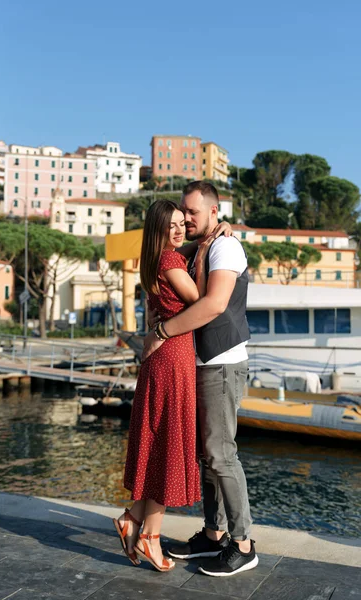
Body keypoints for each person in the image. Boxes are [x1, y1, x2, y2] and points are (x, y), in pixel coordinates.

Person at [142, 181, 258, 578]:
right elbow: (174, 257)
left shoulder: (227, 246)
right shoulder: (203, 246)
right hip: (200, 364)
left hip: (222, 363)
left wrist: (161, 332)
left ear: (213, 211)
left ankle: (243, 544)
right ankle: (213, 534)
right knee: (208, 455)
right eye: (182, 213)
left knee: (221, 455)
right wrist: (200, 242)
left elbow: (213, 303)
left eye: (192, 213)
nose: (186, 219)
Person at [113, 199, 216, 573]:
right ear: (158, 229)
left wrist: (194, 246)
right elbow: (200, 300)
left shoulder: (156, 259)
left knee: (159, 442)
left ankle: (131, 519)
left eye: (181, 223)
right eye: (171, 225)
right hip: (173, 356)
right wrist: (204, 251)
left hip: (164, 358)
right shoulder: (171, 262)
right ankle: (149, 536)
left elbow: (175, 257)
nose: (179, 229)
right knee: (169, 445)